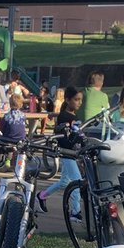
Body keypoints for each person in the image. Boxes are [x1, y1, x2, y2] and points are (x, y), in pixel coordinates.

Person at [37, 85, 82, 217]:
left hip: (73, 153)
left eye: (80, 100)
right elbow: (63, 138)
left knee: (64, 182)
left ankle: (42, 195)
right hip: (67, 153)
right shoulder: (64, 117)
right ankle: (75, 211)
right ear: (67, 100)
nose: (79, 102)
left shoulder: (73, 115)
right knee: (77, 182)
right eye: (76, 99)